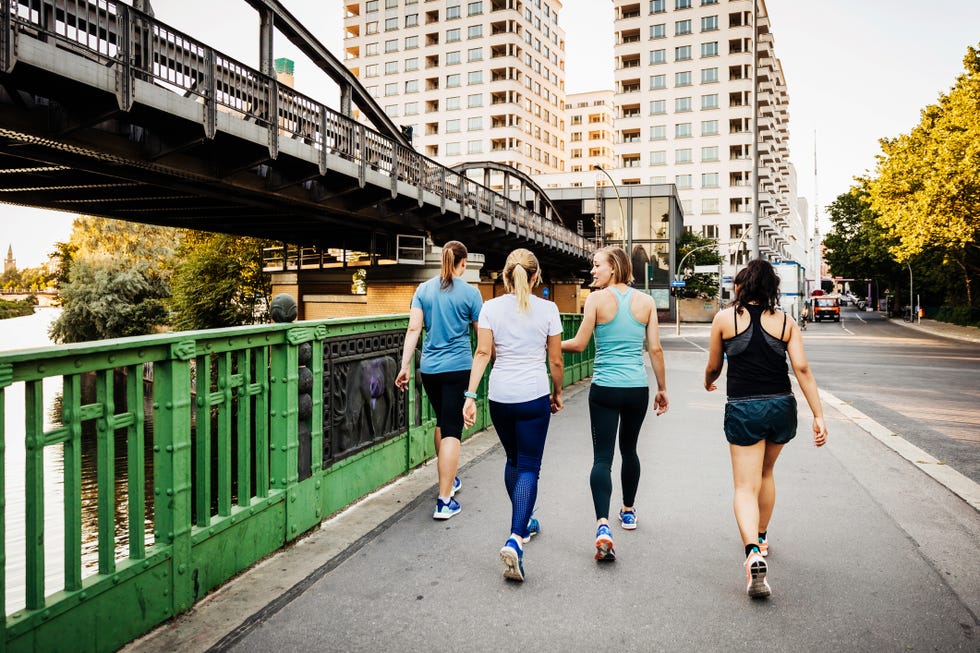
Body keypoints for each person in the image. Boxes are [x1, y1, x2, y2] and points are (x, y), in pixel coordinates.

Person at [704, 259, 828, 599]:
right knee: (767, 473)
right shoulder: (786, 322)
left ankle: (752, 554)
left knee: (745, 486)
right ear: (772, 289)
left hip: (745, 407)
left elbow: (714, 366)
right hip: (781, 407)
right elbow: (801, 368)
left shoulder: (724, 319)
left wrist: (707, 381)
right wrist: (818, 415)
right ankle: (761, 536)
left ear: (741, 287)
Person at [462, 248, 564, 582]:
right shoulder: (548, 309)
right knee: (530, 467)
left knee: (513, 461)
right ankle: (515, 538)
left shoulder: (489, 308)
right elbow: (556, 361)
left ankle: (525, 521)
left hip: (500, 397)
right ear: (536, 277)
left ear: (506, 276)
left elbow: (482, 352)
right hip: (534, 395)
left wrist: (470, 394)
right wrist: (558, 391)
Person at [561, 246, 668, 562]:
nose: (592, 271)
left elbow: (579, 344)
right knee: (630, 450)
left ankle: (603, 526)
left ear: (614, 267)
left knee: (602, 458)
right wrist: (662, 388)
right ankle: (629, 511)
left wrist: (550, 342)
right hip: (637, 387)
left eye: (596, 266)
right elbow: (656, 350)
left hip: (605, 388)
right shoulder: (646, 302)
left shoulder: (595, 300)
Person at [395, 240, 483, 520]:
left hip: (429, 370)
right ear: (464, 263)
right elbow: (482, 338)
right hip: (458, 368)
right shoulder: (471, 294)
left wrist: (404, 365)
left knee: (442, 422)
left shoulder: (423, 290)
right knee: (453, 430)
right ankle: (444, 500)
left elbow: (413, 329)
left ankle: (449, 479)